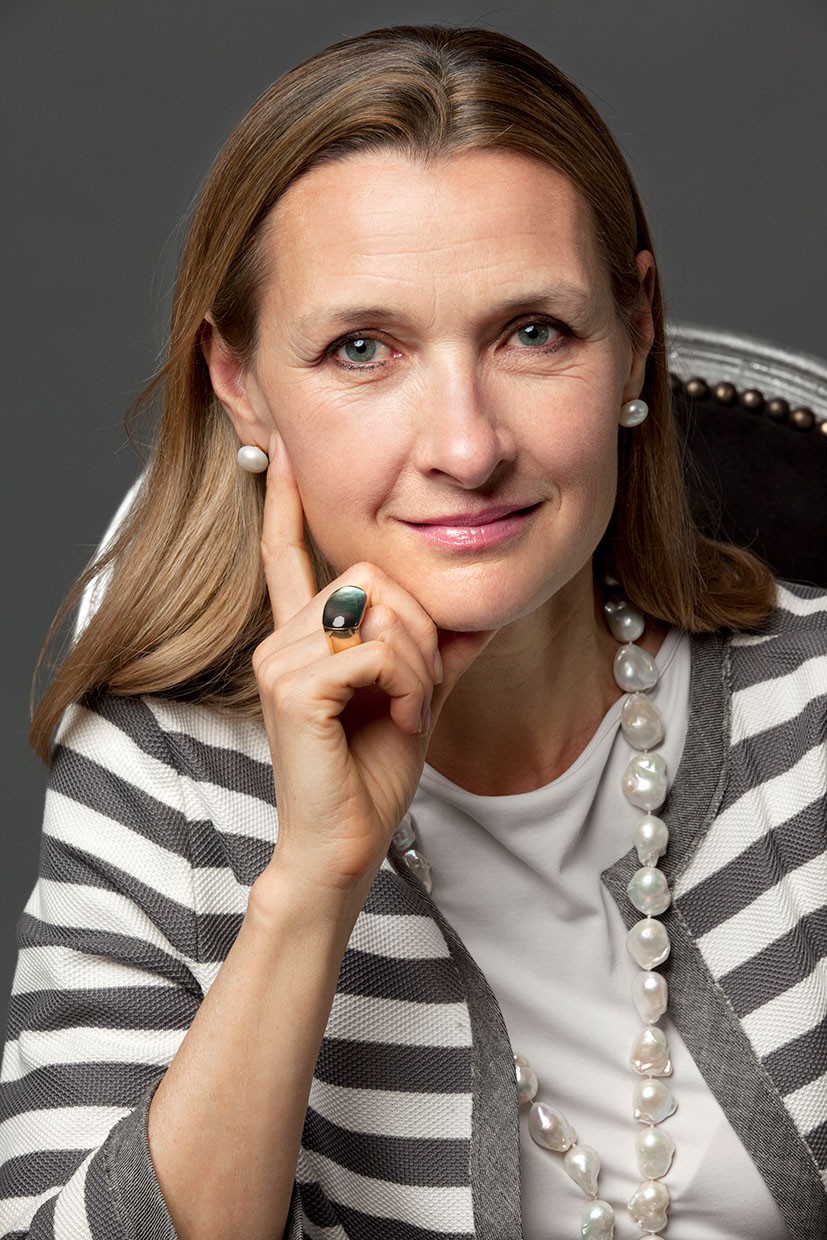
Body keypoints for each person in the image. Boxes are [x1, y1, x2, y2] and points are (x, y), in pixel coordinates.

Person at [1, 23, 824, 1240]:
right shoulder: (164, 782)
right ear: (240, 386)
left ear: (635, 331)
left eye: (531, 331)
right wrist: (310, 883)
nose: (465, 445)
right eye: (362, 349)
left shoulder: (807, 712)